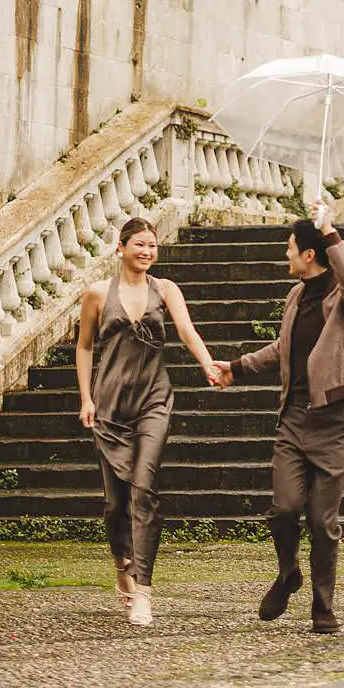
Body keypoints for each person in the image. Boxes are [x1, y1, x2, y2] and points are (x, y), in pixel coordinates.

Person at [215, 199, 344, 635]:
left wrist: (330, 232)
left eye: (290, 247)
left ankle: (323, 607)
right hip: (293, 420)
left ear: (309, 254)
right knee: (283, 510)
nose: (286, 255)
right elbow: (282, 349)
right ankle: (288, 574)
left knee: (323, 523)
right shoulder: (294, 295)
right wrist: (238, 366)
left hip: (335, 423)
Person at [76, 214, 230, 627]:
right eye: (139, 244)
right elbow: (85, 347)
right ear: (120, 248)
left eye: (152, 245)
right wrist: (86, 398)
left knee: (145, 490)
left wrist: (207, 366)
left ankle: (143, 589)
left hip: (154, 402)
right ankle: (122, 563)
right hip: (109, 407)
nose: (147, 251)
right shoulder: (95, 294)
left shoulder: (166, 289)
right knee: (114, 504)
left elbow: (186, 331)